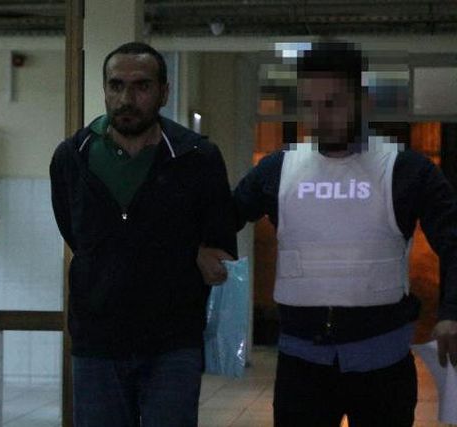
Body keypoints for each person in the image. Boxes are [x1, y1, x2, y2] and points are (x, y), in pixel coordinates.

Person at [199, 42, 457, 426]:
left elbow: (453, 241)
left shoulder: (407, 170)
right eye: (309, 105)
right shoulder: (278, 169)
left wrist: (452, 313)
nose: (319, 117)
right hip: (302, 365)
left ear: (362, 101)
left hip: (382, 363)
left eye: (333, 103)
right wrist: (205, 248)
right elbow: (222, 218)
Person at [50, 42, 236, 426]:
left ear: (163, 92)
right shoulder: (72, 157)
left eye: (141, 86)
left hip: (172, 344)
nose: (126, 99)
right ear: (104, 89)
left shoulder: (197, 158)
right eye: (116, 85)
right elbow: (76, 234)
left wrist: (189, 253)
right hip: (97, 343)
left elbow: (219, 246)